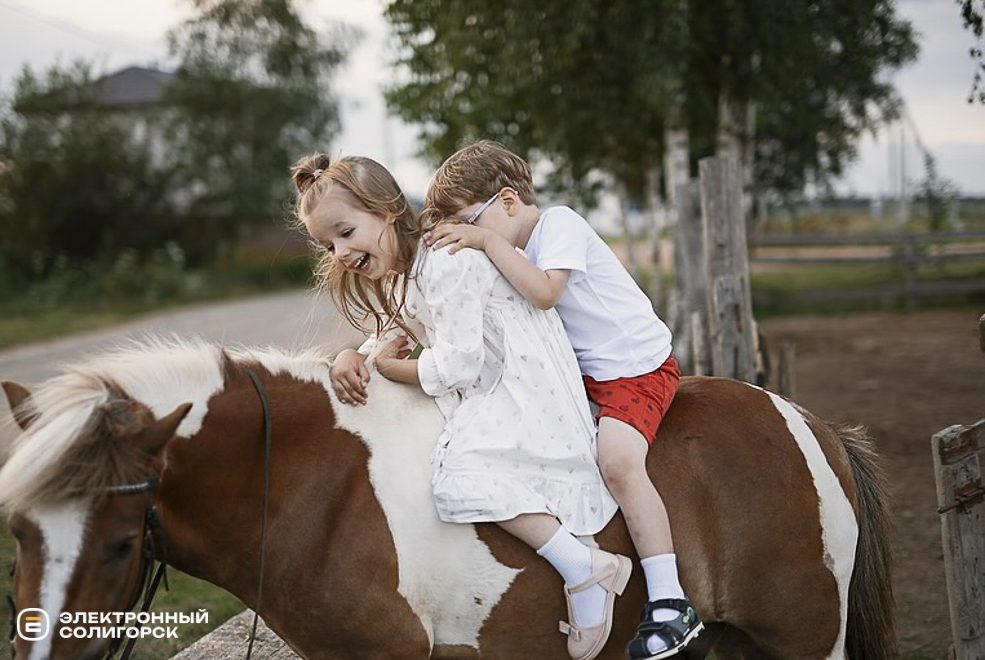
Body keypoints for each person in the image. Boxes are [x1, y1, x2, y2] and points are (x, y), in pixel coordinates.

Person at [292, 152, 631, 660]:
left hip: (523, 389)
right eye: (328, 244)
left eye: (346, 232)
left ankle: (583, 566)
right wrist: (350, 355)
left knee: (460, 475)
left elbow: (458, 367)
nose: (339, 252)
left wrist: (391, 370)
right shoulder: (412, 269)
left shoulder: (446, 260)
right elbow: (397, 331)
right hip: (498, 382)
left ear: (386, 209)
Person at [422, 140, 704, 660]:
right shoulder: (515, 246)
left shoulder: (560, 224)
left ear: (508, 202)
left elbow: (546, 291)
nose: (468, 237)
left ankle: (670, 601)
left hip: (633, 367)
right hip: (587, 376)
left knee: (618, 464)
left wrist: (485, 242)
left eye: (471, 221)